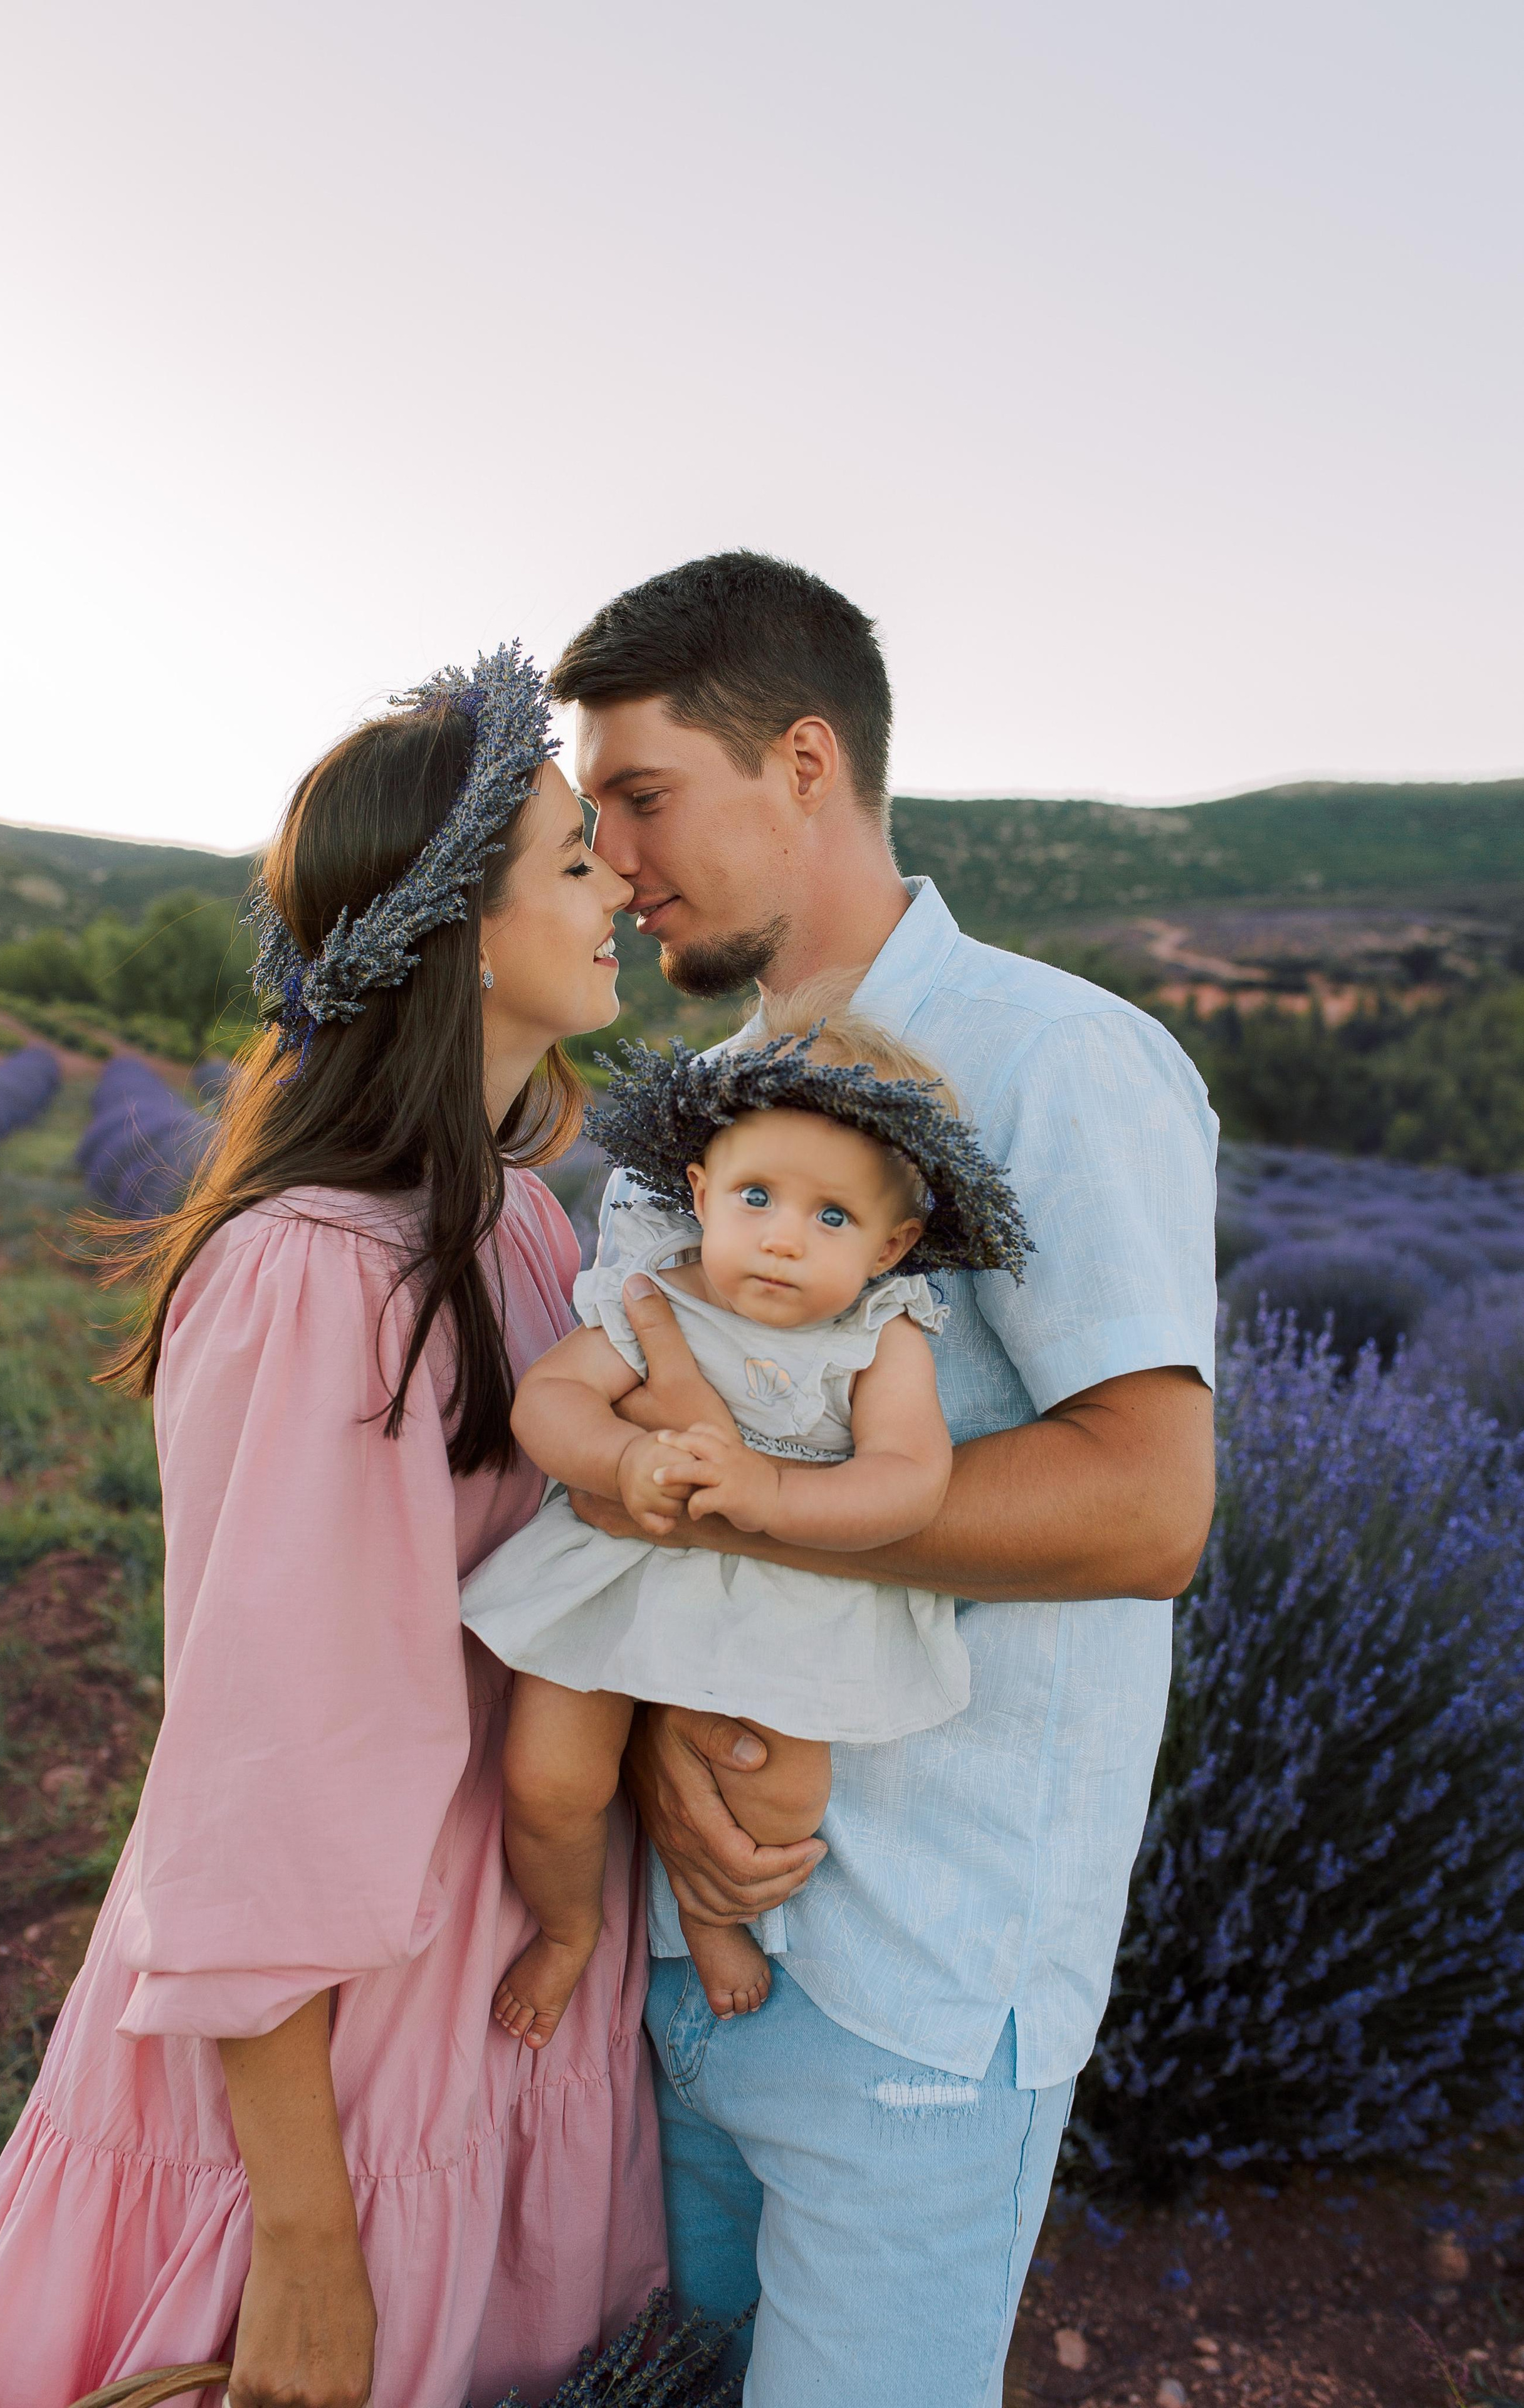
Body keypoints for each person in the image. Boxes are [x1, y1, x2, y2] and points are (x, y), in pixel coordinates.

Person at [0, 648, 665, 2408]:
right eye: (575, 859)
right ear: (464, 933)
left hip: (487, 1968)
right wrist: (311, 2237)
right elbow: (261, 1771)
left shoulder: (515, 1234)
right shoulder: (322, 1271)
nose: (620, 887)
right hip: (350, 2042)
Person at [551, 556, 1219, 2404]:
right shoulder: (682, 1126)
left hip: (920, 1985)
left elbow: (1146, 1506)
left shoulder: (1060, 1058)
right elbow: (613, 1457)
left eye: (645, 794)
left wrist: (752, 1516)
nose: (609, 856)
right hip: (689, 1953)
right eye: (591, 812)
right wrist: (673, 1719)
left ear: (810, 764)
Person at [461, 994, 1027, 2037]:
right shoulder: (655, 1296)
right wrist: (623, 1455)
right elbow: (550, 1401)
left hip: (791, 1586)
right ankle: (566, 1929)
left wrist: (772, 1495)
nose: (781, 1240)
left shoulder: (880, 1337)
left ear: (894, 1247)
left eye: (832, 1218)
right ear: (700, 1190)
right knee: (547, 1779)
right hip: (616, 1574)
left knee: (777, 1800)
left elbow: (909, 1476)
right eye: (756, 1196)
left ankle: (710, 1912)